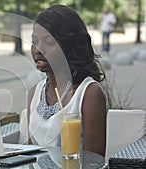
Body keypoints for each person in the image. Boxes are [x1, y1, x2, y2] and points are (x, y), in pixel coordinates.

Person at [27, 5, 108, 157]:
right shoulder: (34, 93)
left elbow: (94, 162)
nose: (38, 50)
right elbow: (30, 157)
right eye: (35, 41)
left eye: (49, 42)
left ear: (70, 45)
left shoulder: (89, 94)